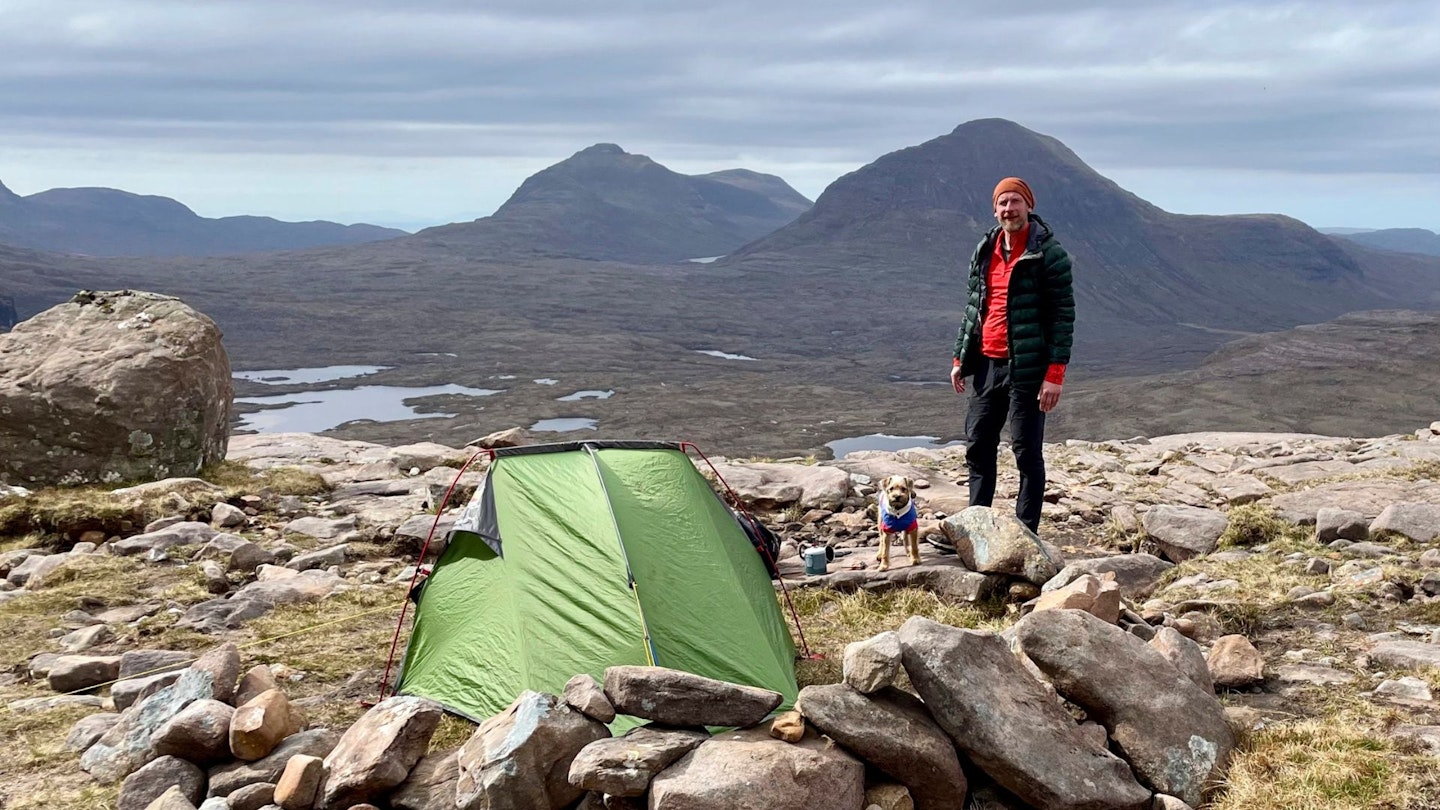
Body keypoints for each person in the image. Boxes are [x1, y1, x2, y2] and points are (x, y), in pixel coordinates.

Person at [949, 177, 1074, 535]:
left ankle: (1026, 532)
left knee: (1025, 451)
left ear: (1028, 206)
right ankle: (976, 526)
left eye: (1015, 201)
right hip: (987, 364)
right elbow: (973, 309)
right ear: (994, 209)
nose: (1009, 209)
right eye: (1003, 203)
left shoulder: (1049, 254)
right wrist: (960, 357)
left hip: (1029, 369)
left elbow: (1063, 316)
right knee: (978, 445)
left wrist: (1055, 374)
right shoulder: (985, 249)